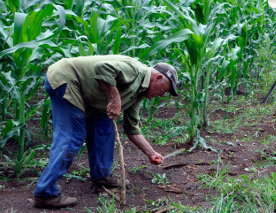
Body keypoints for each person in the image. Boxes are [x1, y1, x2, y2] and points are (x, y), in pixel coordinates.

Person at [33, 55, 180, 209]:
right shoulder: (135, 70)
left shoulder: (137, 95)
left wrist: (151, 153)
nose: (163, 95)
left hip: (89, 96)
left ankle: (102, 176)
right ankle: (45, 193)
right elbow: (102, 68)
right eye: (166, 90)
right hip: (66, 78)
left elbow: (132, 129)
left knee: (104, 128)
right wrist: (115, 99)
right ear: (158, 78)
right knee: (73, 136)